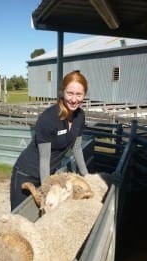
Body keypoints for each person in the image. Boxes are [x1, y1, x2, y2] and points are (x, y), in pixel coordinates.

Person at [10, 70, 89, 211]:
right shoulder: (49, 119)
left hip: (48, 174)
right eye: (70, 93)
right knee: (21, 216)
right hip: (27, 174)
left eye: (79, 94)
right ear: (62, 92)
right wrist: (46, 189)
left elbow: (77, 149)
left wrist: (87, 177)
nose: (74, 99)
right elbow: (44, 158)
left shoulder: (80, 117)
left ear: (84, 95)